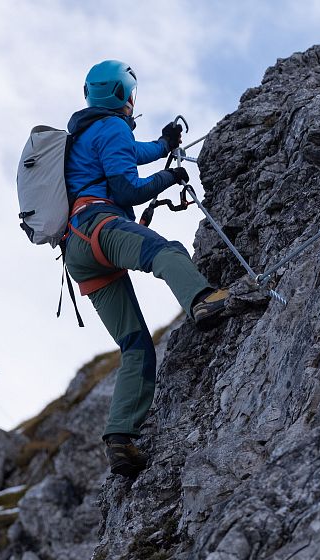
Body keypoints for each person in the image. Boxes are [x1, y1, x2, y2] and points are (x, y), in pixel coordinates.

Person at [63, 59, 228, 478]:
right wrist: (171, 177)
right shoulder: (113, 127)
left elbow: (130, 155)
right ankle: (203, 300)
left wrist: (162, 144)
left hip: (77, 252)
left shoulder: (84, 134)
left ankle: (121, 439)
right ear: (124, 95)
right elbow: (127, 189)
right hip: (100, 226)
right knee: (165, 251)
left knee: (135, 345)